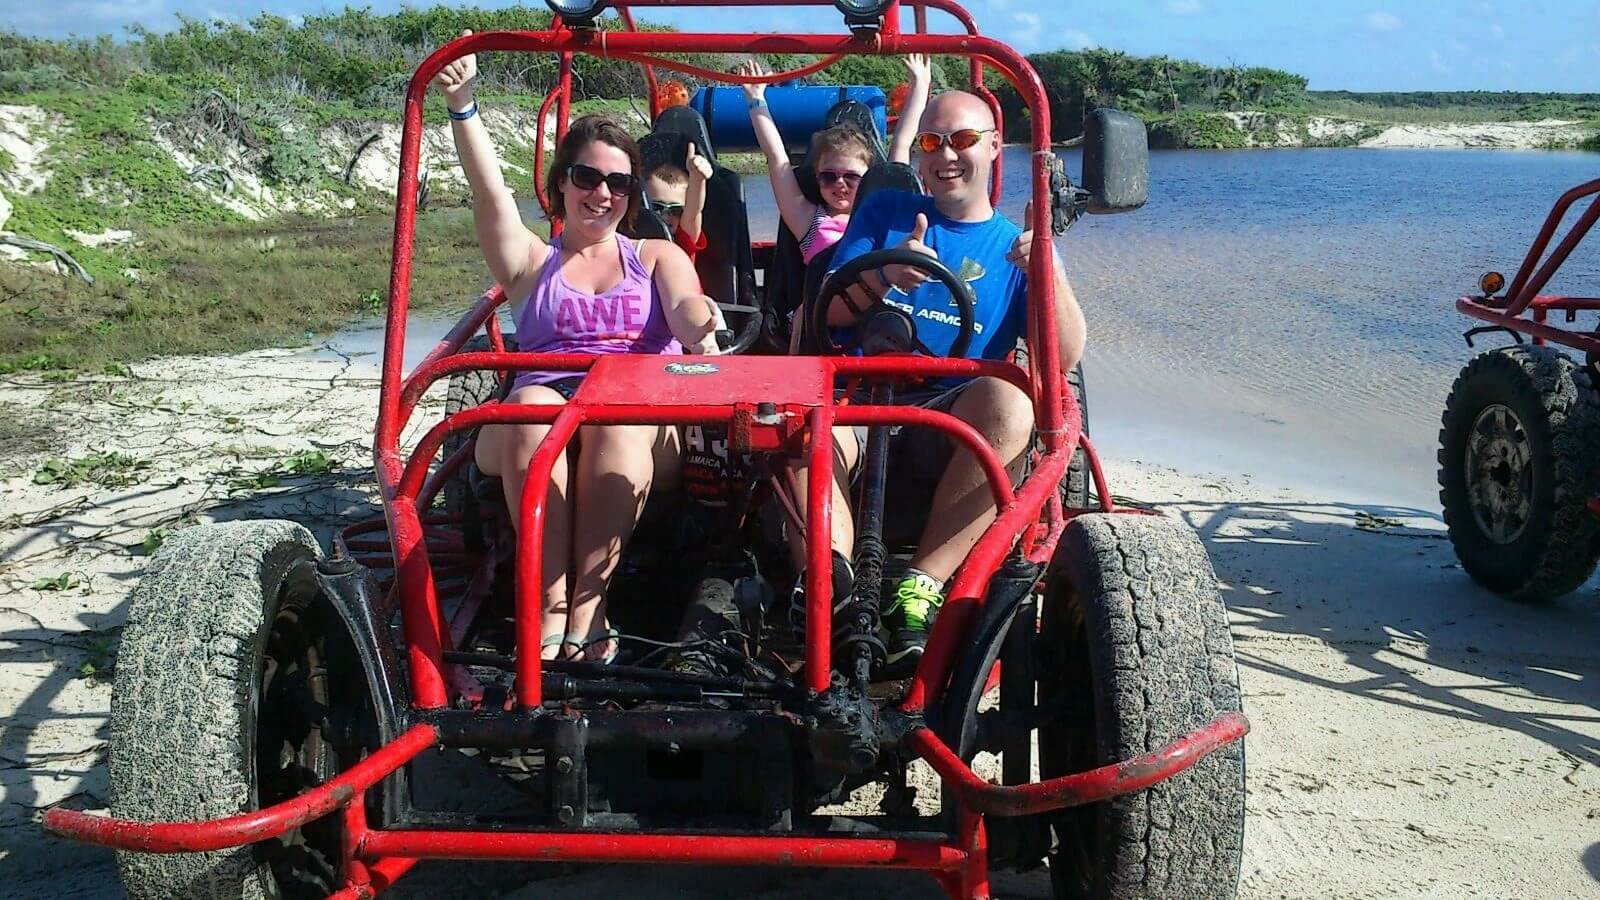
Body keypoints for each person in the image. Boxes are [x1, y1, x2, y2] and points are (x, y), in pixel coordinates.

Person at [434, 32, 720, 664]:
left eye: (618, 183)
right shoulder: (533, 263)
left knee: (614, 418)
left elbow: (687, 305)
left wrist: (701, 324)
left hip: (640, 420)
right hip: (541, 414)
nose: (603, 193)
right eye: (588, 177)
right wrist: (463, 108)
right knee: (536, 408)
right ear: (562, 183)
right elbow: (491, 199)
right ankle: (549, 601)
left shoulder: (656, 254)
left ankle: (590, 608)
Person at [795, 89, 1087, 674]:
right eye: (932, 141)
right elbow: (825, 314)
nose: (945, 155)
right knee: (798, 420)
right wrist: (882, 276)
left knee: (1013, 400)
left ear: (994, 147)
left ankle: (920, 589)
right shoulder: (884, 213)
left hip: (952, 419)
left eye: (962, 140)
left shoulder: (1015, 246)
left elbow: (1064, 358)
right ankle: (833, 585)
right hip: (858, 401)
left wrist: (1046, 268)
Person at [736, 55, 933, 266]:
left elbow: (902, 143)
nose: (840, 183)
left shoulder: (884, 211)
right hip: (824, 297)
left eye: (851, 177)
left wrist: (920, 84)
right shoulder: (808, 221)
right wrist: (756, 100)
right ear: (817, 176)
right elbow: (777, 158)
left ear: (868, 177)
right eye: (829, 177)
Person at [642, 140, 715, 262]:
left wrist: (697, 179)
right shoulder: (633, 237)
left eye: (676, 211)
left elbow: (694, 211)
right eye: (657, 208)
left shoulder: (683, 240)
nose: (665, 216)